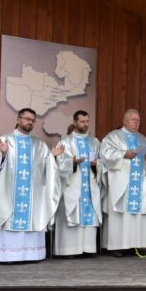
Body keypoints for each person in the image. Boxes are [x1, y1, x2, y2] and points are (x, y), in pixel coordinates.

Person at [0, 108, 62, 262]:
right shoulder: (5, 140)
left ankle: (30, 255)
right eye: (26, 119)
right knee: (7, 218)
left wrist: (53, 158)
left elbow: (46, 169)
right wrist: (2, 154)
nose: (29, 122)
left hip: (32, 195)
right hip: (8, 193)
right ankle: (6, 256)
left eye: (32, 120)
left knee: (31, 220)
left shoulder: (39, 145)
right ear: (18, 120)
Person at [100, 109, 146, 257]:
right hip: (122, 184)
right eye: (133, 120)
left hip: (139, 184)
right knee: (121, 214)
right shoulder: (113, 137)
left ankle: (139, 244)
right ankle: (117, 246)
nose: (136, 122)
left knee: (139, 212)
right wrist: (123, 154)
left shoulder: (144, 140)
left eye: (138, 120)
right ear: (124, 121)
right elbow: (105, 155)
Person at [54, 110, 102, 257]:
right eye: (82, 121)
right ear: (75, 122)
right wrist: (72, 163)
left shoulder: (95, 142)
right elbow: (58, 164)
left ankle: (88, 249)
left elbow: (101, 162)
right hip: (73, 186)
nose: (85, 124)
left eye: (87, 121)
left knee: (89, 213)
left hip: (90, 186)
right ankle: (70, 250)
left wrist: (96, 165)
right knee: (73, 214)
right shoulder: (65, 142)